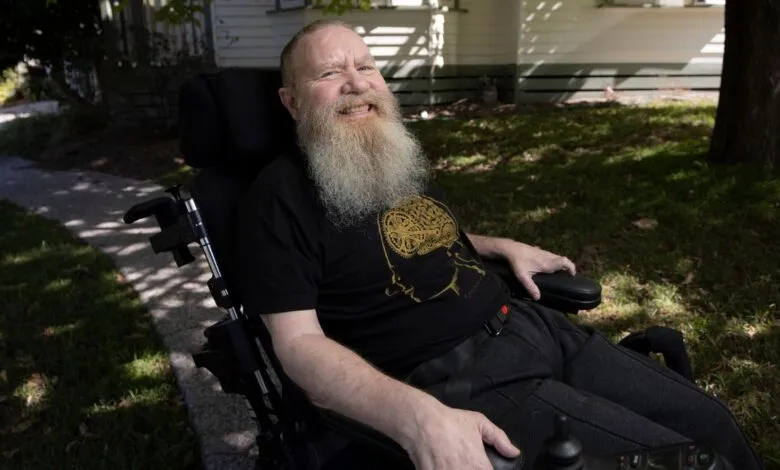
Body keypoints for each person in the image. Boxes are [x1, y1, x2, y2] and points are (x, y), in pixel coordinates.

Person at [235, 18, 764, 470]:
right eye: (330, 73)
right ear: (291, 100)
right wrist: (417, 416)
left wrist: (493, 244)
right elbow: (298, 346)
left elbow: (410, 237)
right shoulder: (278, 199)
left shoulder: (383, 154)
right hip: (458, 379)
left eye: (365, 67)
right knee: (692, 463)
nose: (356, 84)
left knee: (714, 422)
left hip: (531, 326)